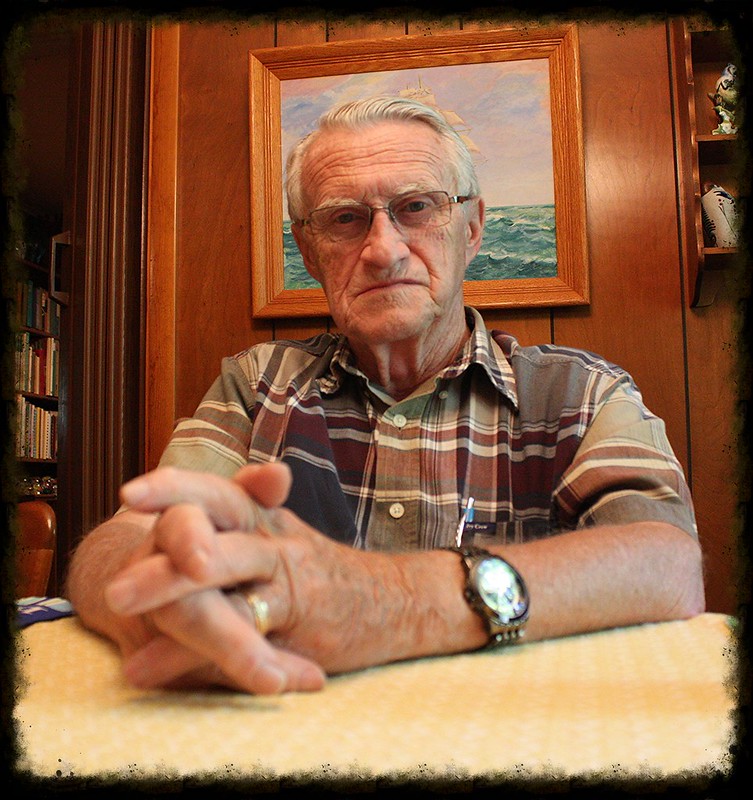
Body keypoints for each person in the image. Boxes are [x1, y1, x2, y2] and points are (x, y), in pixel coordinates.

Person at [66, 96, 704, 695]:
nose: (383, 249)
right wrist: (164, 595)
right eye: (344, 220)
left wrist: (386, 605)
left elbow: (667, 566)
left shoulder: (584, 394)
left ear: (473, 229)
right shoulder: (255, 385)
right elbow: (118, 546)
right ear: (310, 253)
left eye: (417, 207)